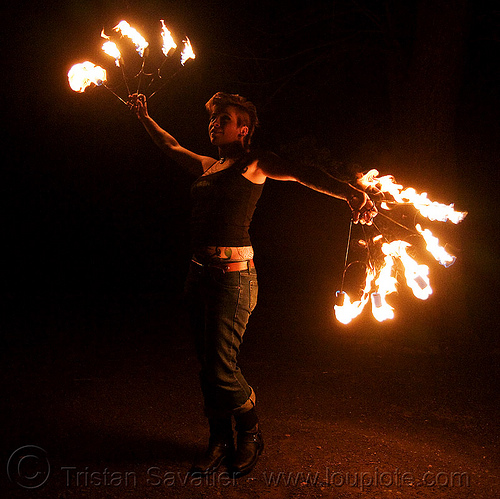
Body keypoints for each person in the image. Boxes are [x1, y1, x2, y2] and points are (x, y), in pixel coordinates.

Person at [128, 92, 377, 478]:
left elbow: (301, 171)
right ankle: (218, 440)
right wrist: (144, 116)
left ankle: (250, 432)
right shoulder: (209, 166)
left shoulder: (255, 163)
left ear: (243, 129)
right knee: (207, 366)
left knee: (221, 368)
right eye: (212, 118)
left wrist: (348, 191)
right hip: (198, 276)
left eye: (223, 118)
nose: (214, 123)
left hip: (234, 281)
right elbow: (170, 144)